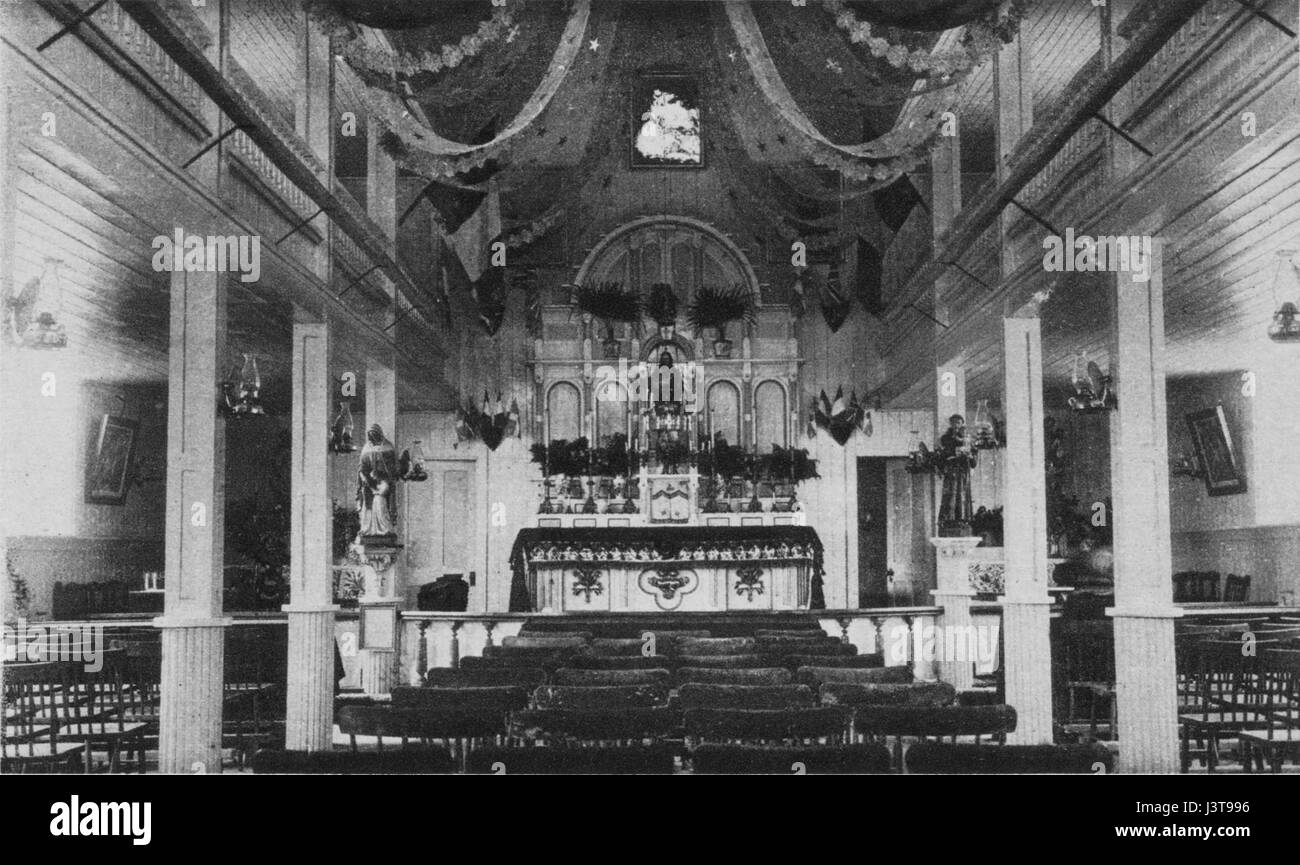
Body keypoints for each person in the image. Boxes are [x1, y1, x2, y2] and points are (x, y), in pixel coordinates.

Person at [357, 424, 398, 540]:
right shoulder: (366, 447)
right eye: (370, 435)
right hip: (369, 483)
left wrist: (381, 475)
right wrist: (365, 476)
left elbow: (392, 468)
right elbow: (362, 466)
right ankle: (367, 530)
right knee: (367, 505)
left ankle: (385, 530)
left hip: (383, 481)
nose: (372, 438)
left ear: (379, 434)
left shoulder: (388, 446)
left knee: (380, 503)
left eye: (374, 435)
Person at [938, 414, 977, 536]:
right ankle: (948, 520)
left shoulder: (968, 440)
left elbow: (974, 462)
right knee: (950, 495)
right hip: (951, 471)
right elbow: (941, 458)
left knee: (963, 495)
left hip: (963, 472)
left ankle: (962, 519)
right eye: (954, 422)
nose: (956, 425)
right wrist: (950, 455)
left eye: (958, 423)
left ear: (962, 424)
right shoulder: (945, 439)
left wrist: (969, 455)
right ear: (950, 424)